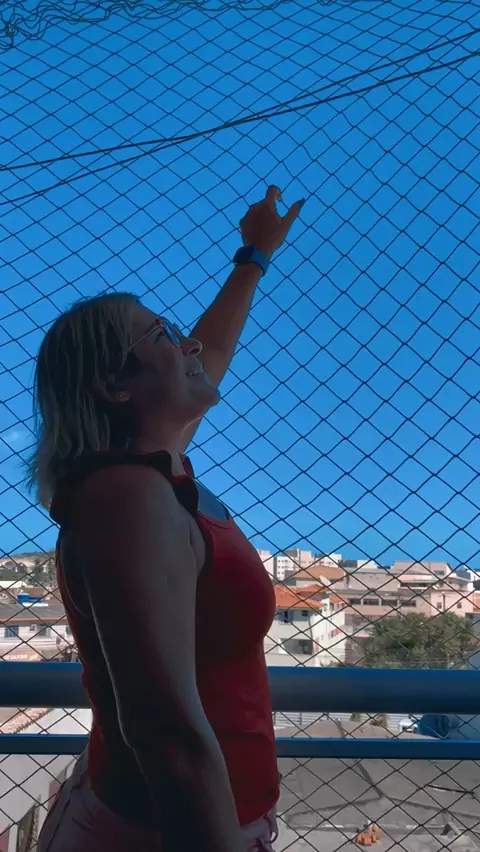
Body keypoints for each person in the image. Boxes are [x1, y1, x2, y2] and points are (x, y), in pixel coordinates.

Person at [31, 186, 304, 852]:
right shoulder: (126, 498)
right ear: (115, 385)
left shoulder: (158, 476)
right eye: (163, 335)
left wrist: (254, 256)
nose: (188, 343)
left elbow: (209, 353)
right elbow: (166, 733)